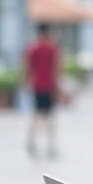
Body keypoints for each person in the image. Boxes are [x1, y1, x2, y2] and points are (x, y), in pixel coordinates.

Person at [23, 23, 61, 159]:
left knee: (37, 114)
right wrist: (58, 87)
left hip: (37, 85)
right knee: (50, 116)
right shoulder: (52, 48)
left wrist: (26, 84)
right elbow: (57, 68)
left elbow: (27, 68)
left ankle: (31, 140)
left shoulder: (33, 48)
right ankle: (51, 146)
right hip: (49, 85)